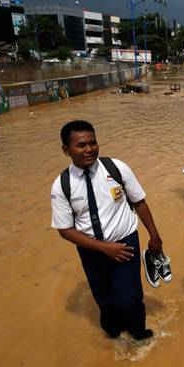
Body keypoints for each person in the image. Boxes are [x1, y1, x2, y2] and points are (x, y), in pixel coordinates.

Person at [50, 120, 168, 341]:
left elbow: (139, 202)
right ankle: (113, 336)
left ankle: (139, 335)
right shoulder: (62, 185)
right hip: (91, 250)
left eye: (93, 143)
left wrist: (154, 235)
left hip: (125, 244)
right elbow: (65, 229)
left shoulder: (116, 168)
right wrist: (103, 248)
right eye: (81, 145)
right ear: (66, 150)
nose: (89, 149)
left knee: (131, 297)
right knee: (104, 298)